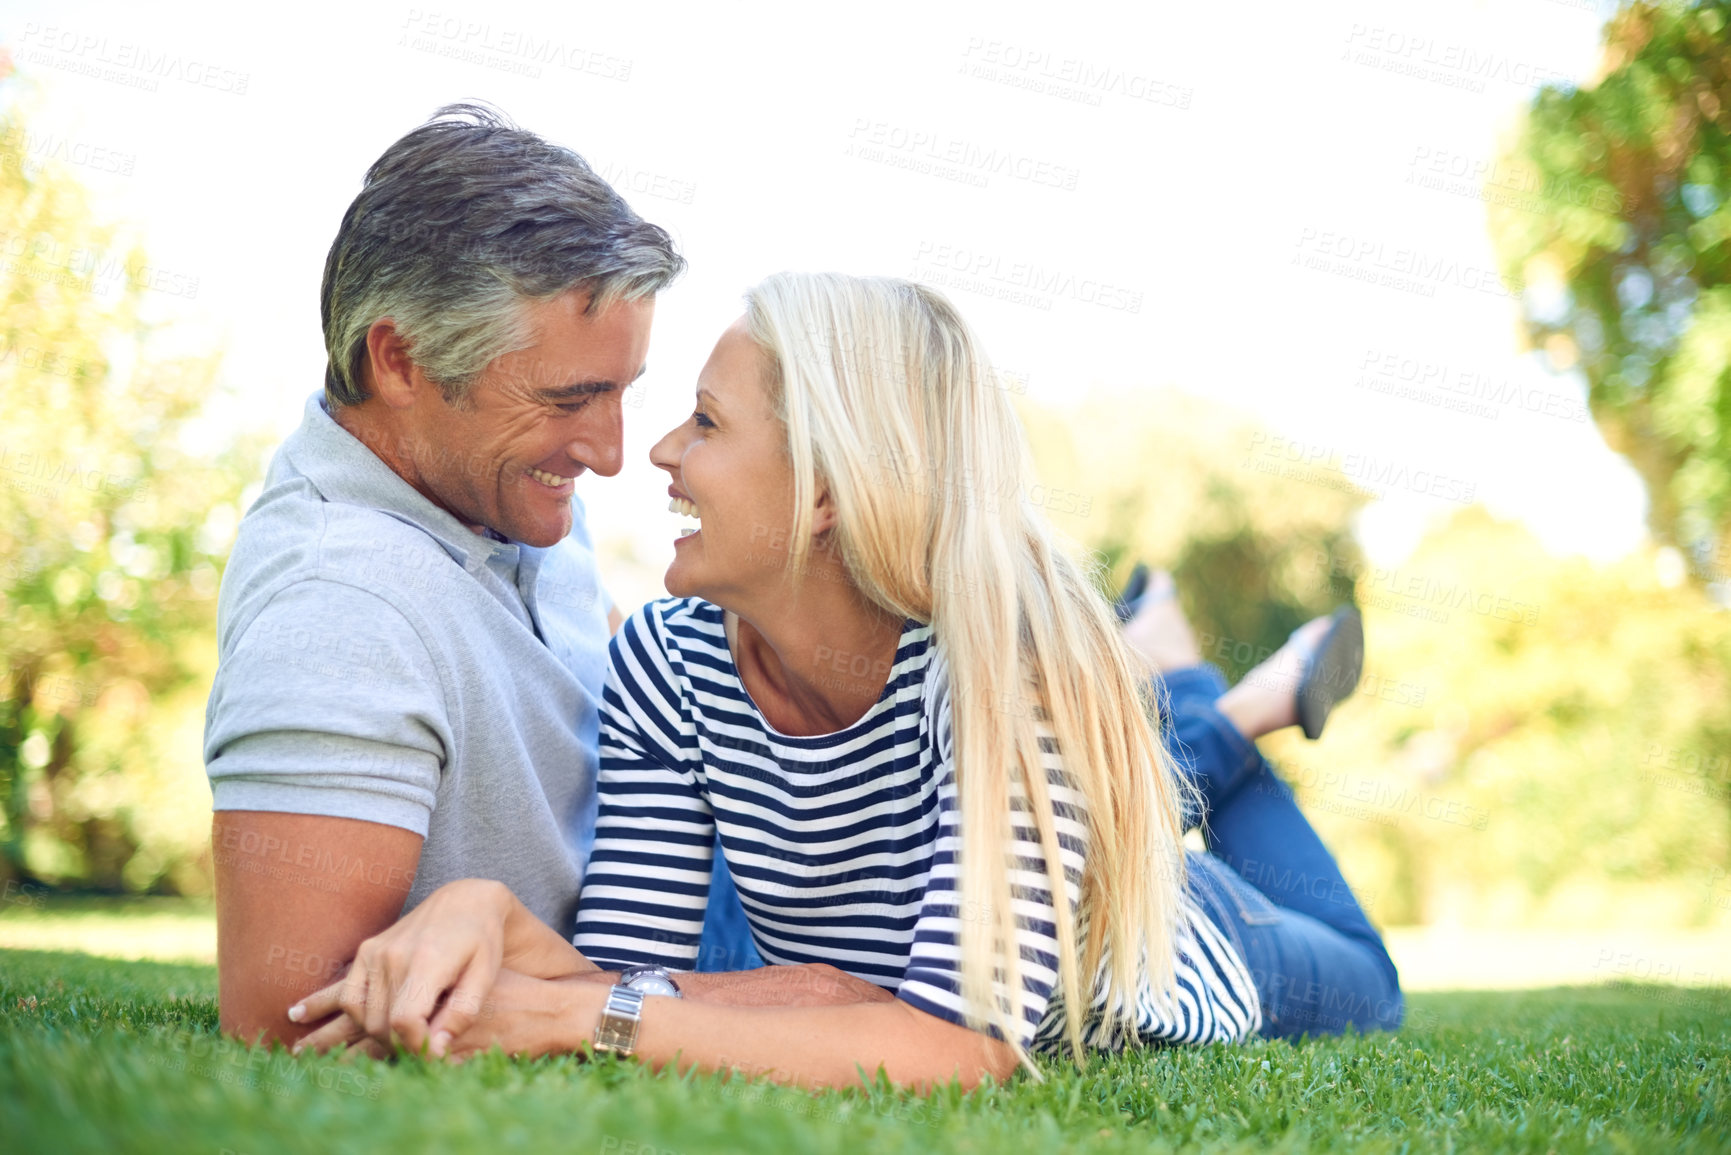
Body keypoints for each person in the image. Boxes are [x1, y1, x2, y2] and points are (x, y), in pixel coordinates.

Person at [292, 272, 1401, 1088]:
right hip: (981, 915)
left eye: (709, 423)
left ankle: (1229, 712)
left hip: (1198, 941)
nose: (658, 453)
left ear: (827, 491)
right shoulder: (669, 663)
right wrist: (492, 919)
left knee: (1372, 983)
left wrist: (576, 1021)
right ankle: (1207, 689)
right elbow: (636, 974)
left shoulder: (1005, 675)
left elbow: (957, 1048)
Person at [204, 104, 804, 1049]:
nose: (612, 452)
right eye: (569, 398)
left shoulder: (496, 484)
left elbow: (649, 698)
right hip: (675, 944)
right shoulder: (337, 607)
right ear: (398, 360)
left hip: (708, 879)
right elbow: (288, 1024)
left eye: (620, 390)